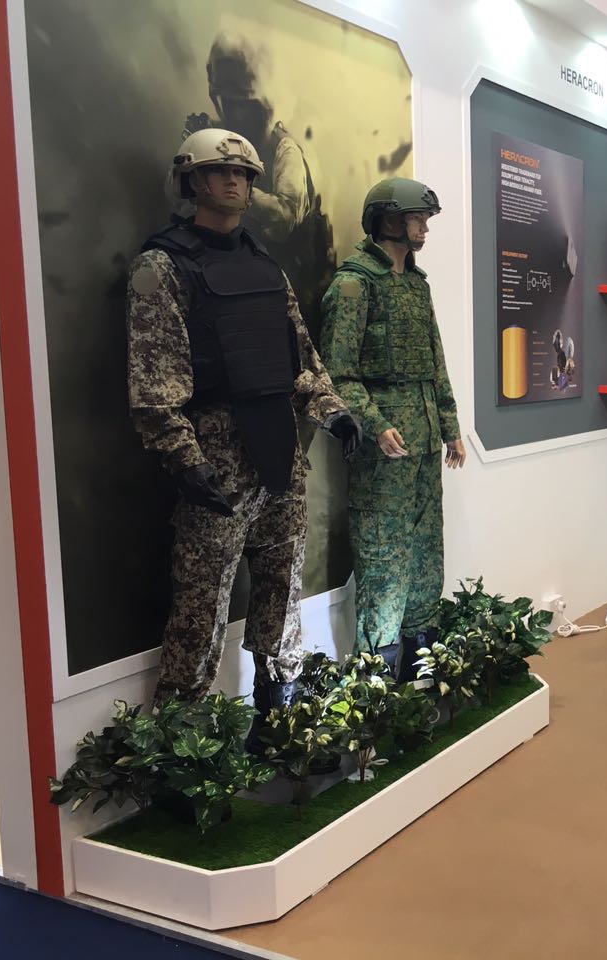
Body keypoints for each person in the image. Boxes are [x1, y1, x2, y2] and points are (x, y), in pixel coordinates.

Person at [125, 128, 360, 714]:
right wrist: (184, 458)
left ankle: (280, 708)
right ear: (192, 181)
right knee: (201, 607)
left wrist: (332, 412)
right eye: (219, 171)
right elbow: (154, 383)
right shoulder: (161, 267)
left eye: (244, 174)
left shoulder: (265, 266)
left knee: (283, 587)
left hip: (280, 449)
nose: (233, 181)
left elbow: (298, 359)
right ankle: (181, 736)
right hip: (215, 458)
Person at [320, 177, 464, 680]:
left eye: (424, 218)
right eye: (415, 218)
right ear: (386, 220)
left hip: (423, 442)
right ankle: (377, 678)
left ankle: (421, 662)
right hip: (382, 453)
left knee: (425, 551)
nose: (424, 227)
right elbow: (338, 374)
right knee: (384, 558)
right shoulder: (354, 285)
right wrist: (376, 424)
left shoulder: (416, 285)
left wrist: (450, 426)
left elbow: (435, 363)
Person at [186, 35, 335, 346]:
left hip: (288, 285)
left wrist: (235, 188)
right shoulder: (217, 139)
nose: (238, 114)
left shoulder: (283, 148)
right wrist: (197, 160)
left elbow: (284, 220)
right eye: (231, 103)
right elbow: (178, 201)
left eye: (246, 105)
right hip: (234, 281)